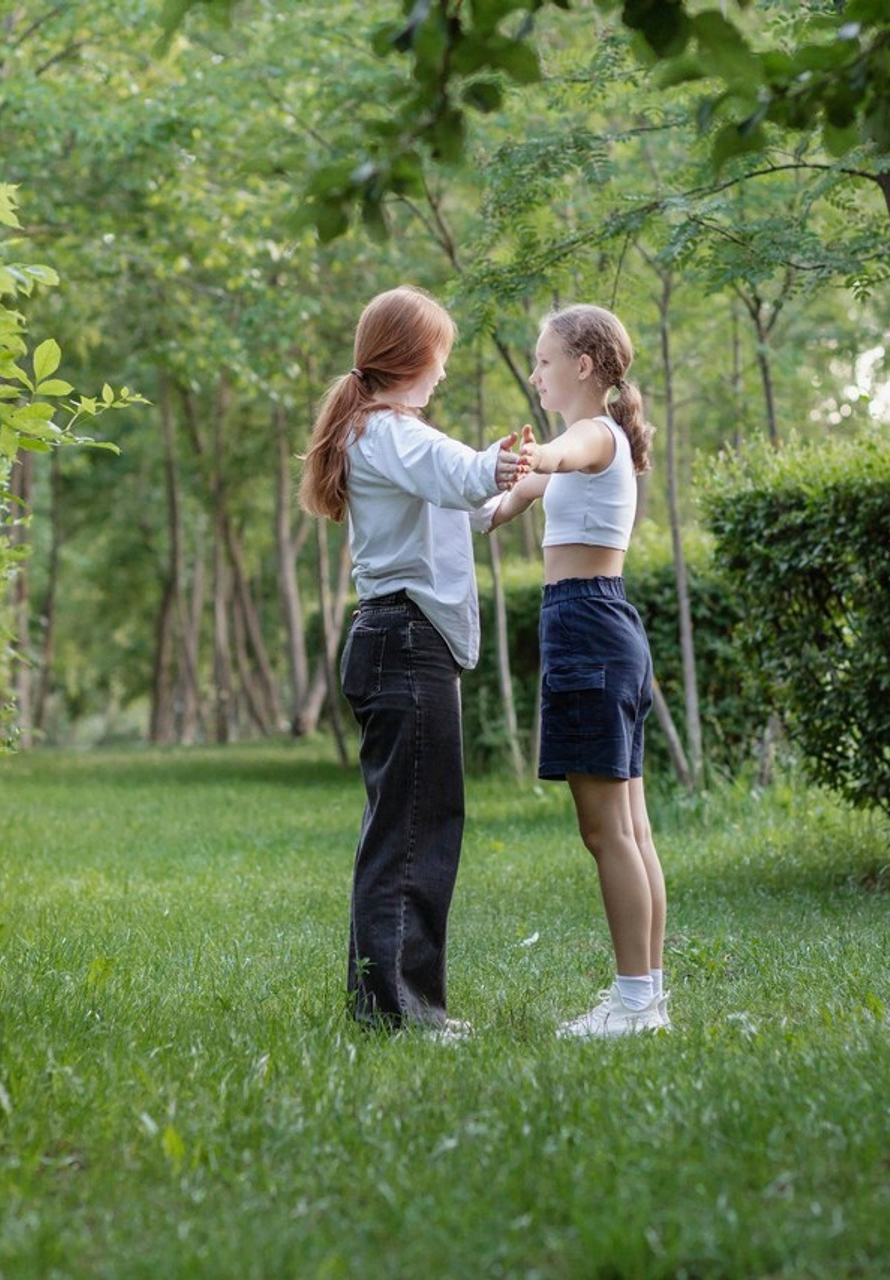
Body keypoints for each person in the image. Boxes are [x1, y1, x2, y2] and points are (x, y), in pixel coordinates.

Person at [299, 285, 520, 1036]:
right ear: (416, 357)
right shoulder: (388, 432)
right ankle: (401, 1012)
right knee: (413, 835)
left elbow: (471, 501)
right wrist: (509, 458)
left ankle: (390, 1003)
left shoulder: (385, 435)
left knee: (411, 827)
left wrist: (534, 473)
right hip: (405, 643)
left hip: (397, 641)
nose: (446, 373)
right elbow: (465, 474)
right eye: (444, 356)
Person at [487, 303, 669, 1037]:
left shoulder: (593, 435)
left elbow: (558, 458)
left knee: (609, 834)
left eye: (543, 361)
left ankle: (633, 1005)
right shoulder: (590, 445)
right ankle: (646, 1000)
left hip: (587, 626)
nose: (535, 375)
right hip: (602, 624)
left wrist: (534, 458)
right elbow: (494, 506)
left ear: (583, 366)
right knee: (631, 829)